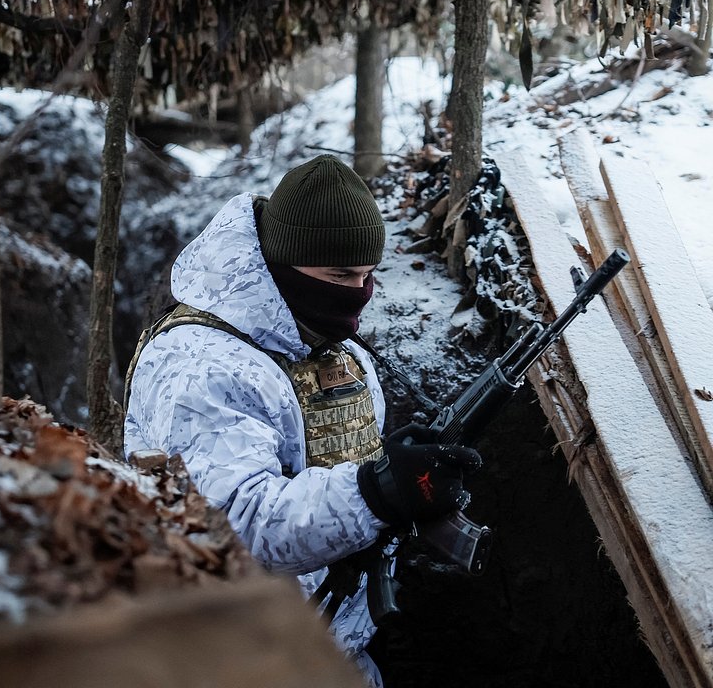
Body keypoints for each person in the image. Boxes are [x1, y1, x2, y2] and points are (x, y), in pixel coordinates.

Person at [124, 154, 481, 686]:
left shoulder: (331, 348)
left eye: (367, 276)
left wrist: (406, 477)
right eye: (340, 275)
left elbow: (345, 463)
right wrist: (376, 491)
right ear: (282, 264)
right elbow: (235, 527)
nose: (357, 292)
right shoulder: (200, 366)